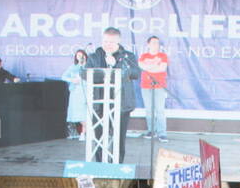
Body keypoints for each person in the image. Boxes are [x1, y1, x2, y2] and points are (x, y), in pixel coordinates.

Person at [87, 27, 141, 158]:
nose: (108, 45)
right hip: (99, 105)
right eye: (105, 41)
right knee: (99, 139)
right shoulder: (94, 56)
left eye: (111, 42)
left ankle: (116, 169)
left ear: (118, 41)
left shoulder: (128, 56)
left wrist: (117, 65)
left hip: (121, 105)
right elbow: (86, 73)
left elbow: (136, 73)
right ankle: (100, 168)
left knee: (118, 140)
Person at [138, 35, 169, 142]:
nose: (156, 45)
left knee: (160, 110)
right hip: (146, 86)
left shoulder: (163, 56)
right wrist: (155, 64)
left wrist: (149, 67)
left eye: (157, 43)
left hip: (160, 86)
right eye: (153, 43)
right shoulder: (143, 56)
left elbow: (162, 69)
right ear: (148, 44)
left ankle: (162, 133)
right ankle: (151, 130)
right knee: (149, 110)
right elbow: (142, 67)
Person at [61, 49, 89, 139]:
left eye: (82, 55)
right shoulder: (73, 67)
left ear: (85, 56)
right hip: (76, 92)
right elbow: (63, 76)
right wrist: (72, 80)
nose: (80, 57)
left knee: (86, 113)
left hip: (86, 91)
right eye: (78, 56)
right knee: (78, 114)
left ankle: (83, 133)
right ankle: (84, 132)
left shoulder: (89, 66)